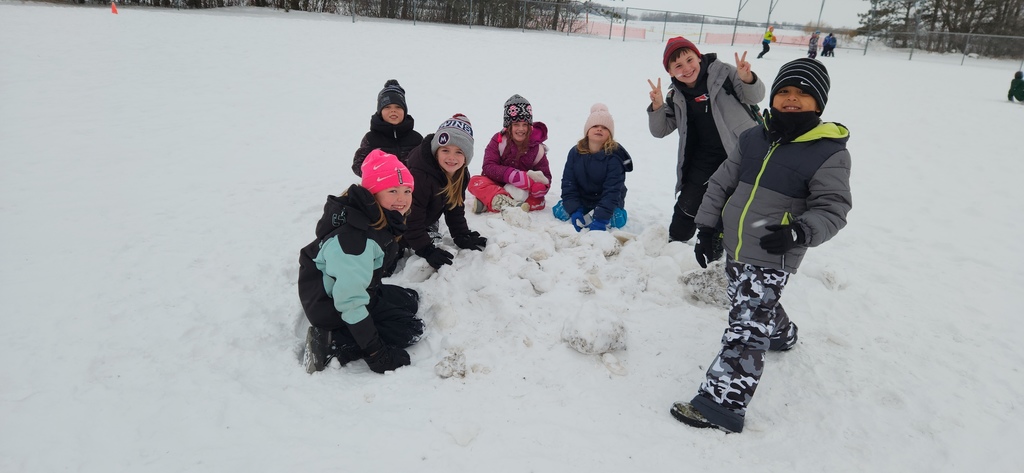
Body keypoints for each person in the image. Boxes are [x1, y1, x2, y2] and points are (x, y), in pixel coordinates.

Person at [670, 58, 853, 433]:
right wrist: (707, 228)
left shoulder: (829, 152)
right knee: (751, 303)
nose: (790, 99)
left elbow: (833, 208)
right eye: (784, 91)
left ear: (819, 103)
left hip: (775, 250)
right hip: (737, 244)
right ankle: (782, 333)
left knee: (745, 327)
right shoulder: (753, 137)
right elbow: (721, 182)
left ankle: (721, 405)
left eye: (802, 94)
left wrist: (801, 232)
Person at [298, 149, 424, 375]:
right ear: (373, 193)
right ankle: (333, 341)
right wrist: (376, 354)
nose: (402, 199)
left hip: (353, 288)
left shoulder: (375, 217)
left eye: (407, 191)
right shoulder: (356, 241)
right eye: (393, 190)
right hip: (331, 305)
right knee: (408, 330)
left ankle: (356, 327)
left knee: (409, 301)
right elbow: (351, 303)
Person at [647, 36, 766, 246]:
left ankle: (719, 248)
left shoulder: (725, 73)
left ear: (699, 57)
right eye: (678, 66)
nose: (686, 68)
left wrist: (747, 78)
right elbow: (660, 130)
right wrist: (657, 107)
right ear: (670, 72)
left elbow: (754, 97)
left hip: (739, 151)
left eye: (689, 60)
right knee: (688, 202)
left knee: (732, 205)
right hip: (704, 157)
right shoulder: (676, 95)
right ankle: (675, 243)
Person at [404, 114, 488, 270]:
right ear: (436, 151)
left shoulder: (460, 173)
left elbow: (454, 207)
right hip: (396, 226)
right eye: (445, 150)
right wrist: (425, 249)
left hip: (420, 221)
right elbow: (411, 217)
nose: (451, 157)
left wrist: (461, 235)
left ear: (466, 157)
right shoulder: (420, 175)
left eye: (459, 152)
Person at [552, 103, 631, 232]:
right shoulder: (575, 153)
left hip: (608, 199)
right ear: (587, 131)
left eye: (604, 128)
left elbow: (612, 190)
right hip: (583, 197)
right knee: (560, 212)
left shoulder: (614, 157)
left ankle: (616, 212)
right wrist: (574, 209)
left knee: (616, 221)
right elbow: (568, 183)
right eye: (595, 126)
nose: (599, 129)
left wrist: (601, 219)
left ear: (610, 134)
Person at [469, 94, 553, 213]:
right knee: (475, 182)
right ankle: (511, 204)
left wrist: (542, 187)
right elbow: (488, 166)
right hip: (496, 184)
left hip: (522, 189)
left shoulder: (537, 148)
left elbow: (546, 176)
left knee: (538, 200)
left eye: (525, 125)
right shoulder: (499, 141)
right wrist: (513, 175)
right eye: (516, 124)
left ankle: (493, 202)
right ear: (509, 126)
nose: (521, 129)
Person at [351, 79, 423, 176]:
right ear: (380, 112)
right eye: (387, 107)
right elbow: (358, 165)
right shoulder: (371, 138)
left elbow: (426, 163)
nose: (393, 111)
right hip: (382, 187)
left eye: (398, 107)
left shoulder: (416, 138)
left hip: (410, 188)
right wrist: (377, 173)